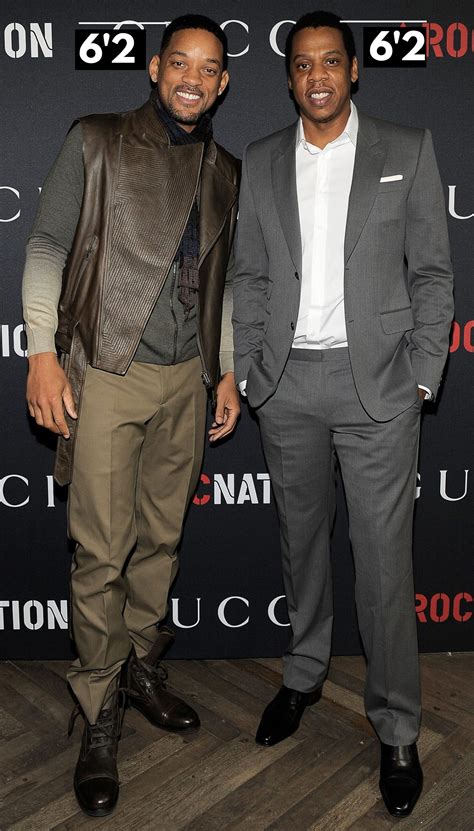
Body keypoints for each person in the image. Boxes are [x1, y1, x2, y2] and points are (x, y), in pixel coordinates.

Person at [232, 11, 453, 819]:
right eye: (303, 64)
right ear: (289, 77)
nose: (317, 75)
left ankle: (396, 726)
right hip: (287, 385)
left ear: (353, 70)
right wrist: (250, 370)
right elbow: (250, 274)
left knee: (386, 563)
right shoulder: (261, 159)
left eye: (331, 61)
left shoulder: (407, 148)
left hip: (379, 388)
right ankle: (302, 675)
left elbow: (432, 272)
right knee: (301, 546)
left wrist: (422, 374)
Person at [22, 14, 240, 817]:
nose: (192, 78)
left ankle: (141, 665)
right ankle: (98, 703)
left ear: (223, 83)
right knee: (102, 552)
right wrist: (41, 352)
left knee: (162, 539)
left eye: (208, 68)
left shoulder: (226, 168)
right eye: (180, 62)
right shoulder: (97, 139)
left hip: (187, 380)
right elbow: (47, 245)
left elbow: (223, 281)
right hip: (108, 372)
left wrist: (225, 370)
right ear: (155, 68)